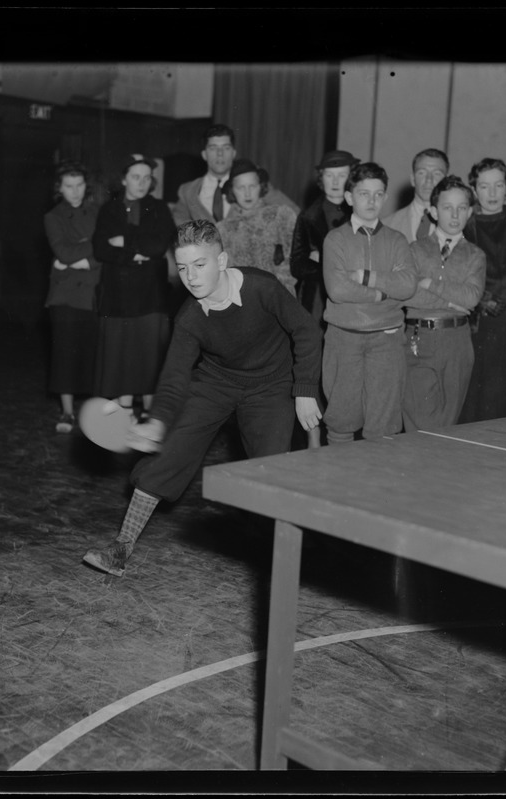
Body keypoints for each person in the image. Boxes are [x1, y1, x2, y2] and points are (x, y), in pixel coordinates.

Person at [82, 220, 322, 577]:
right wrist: (158, 423)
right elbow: (174, 379)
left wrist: (303, 390)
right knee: (170, 452)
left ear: (222, 260)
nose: (190, 277)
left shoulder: (262, 288)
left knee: (269, 469)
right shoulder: (189, 317)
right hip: (216, 381)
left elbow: (306, 331)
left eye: (200, 265)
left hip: (271, 385)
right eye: (182, 268)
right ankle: (122, 546)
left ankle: (285, 561)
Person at [321, 162, 417, 444]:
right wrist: (380, 294)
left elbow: (408, 285)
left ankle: (376, 487)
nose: (371, 201)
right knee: (341, 420)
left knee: (383, 425)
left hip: (386, 338)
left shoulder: (397, 240)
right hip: (344, 337)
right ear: (349, 197)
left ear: (386, 197)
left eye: (378, 194)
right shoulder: (335, 239)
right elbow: (338, 289)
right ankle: (338, 485)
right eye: (364, 194)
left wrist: (366, 277)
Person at [92, 155, 176, 417]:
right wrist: (137, 252)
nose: (141, 182)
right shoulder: (109, 209)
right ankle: (125, 410)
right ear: (124, 179)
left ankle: (152, 415)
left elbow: (158, 246)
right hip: (118, 294)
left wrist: (124, 241)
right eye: (136, 177)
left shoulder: (159, 208)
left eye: (147, 177)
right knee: (122, 354)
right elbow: (101, 248)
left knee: (149, 354)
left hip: (151, 293)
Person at [402, 175, 486, 431]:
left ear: (470, 211)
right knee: (417, 418)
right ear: (433, 211)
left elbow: (472, 297)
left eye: (462, 208)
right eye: (448, 207)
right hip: (418, 337)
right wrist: (451, 302)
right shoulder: (414, 250)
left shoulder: (475, 255)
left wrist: (430, 284)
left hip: (456, 342)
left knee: (447, 424)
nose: (455, 214)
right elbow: (407, 294)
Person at [458, 158, 506, 423]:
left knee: (505, 398)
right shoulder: (463, 225)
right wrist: (482, 301)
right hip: (477, 323)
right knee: (473, 399)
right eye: (484, 186)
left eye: (498, 185)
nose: (492, 193)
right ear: (474, 189)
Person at [43, 161, 101, 433]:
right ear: (60, 189)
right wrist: (92, 247)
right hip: (65, 296)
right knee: (64, 354)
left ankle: (93, 411)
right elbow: (64, 254)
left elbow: (106, 254)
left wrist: (83, 258)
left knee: (93, 353)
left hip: (92, 292)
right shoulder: (53, 216)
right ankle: (67, 413)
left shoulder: (98, 213)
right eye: (69, 186)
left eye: (79, 185)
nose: (75, 192)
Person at [171, 124, 298, 226]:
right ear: (204, 154)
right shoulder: (188, 191)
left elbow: (293, 213)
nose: (220, 154)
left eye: (226, 148)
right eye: (213, 148)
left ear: (233, 153)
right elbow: (179, 225)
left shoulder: (253, 181)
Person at [290, 149, 359, 322]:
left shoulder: (361, 213)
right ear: (321, 178)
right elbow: (297, 264)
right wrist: (326, 264)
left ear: (351, 178)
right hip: (316, 300)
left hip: (355, 296)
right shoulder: (308, 216)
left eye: (342, 175)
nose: (335, 182)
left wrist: (322, 257)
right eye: (329, 175)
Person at [216, 158, 299, 295]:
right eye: (241, 187)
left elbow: (294, 258)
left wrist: (279, 285)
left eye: (252, 186)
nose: (247, 193)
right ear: (232, 191)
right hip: (243, 299)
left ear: (261, 186)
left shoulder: (280, 216)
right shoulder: (223, 229)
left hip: (279, 295)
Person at [382, 148, 449, 244]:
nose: (428, 180)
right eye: (422, 173)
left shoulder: (462, 227)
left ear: (446, 181)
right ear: (413, 179)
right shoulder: (387, 226)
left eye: (437, 173)